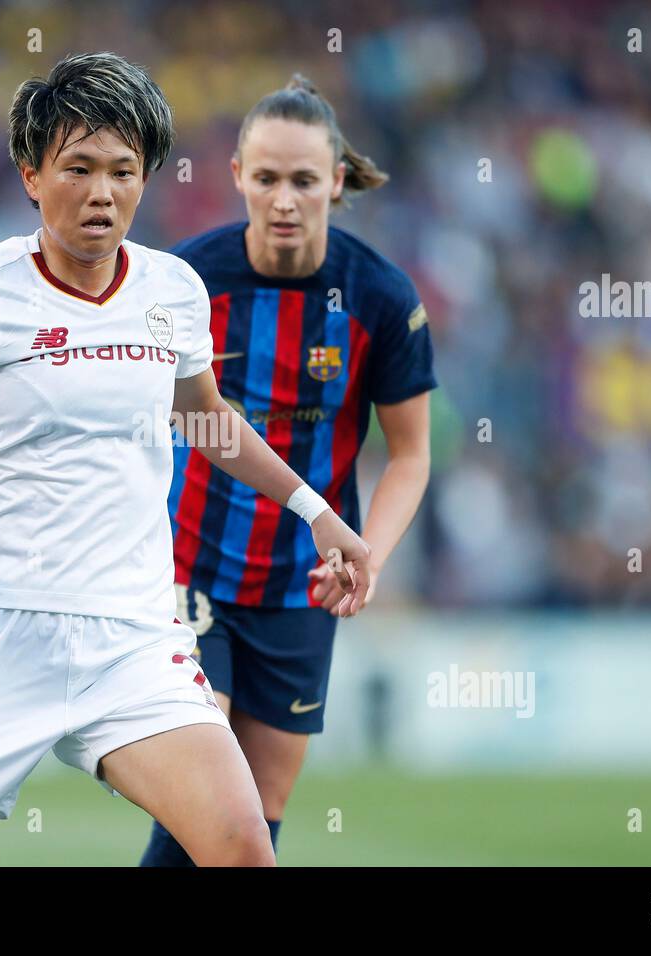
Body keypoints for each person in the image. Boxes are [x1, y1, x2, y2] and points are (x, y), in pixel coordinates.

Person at [0, 52, 372, 867]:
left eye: (123, 170)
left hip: (131, 635)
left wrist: (318, 514)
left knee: (244, 847)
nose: (103, 192)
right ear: (31, 174)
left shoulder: (171, 291)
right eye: (78, 167)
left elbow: (208, 421)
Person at [141, 74, 436, 866]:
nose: (283, 198)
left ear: (336, 183)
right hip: (185, 571)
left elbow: (410, 455)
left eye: (303, 180)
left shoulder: (380, 298)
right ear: (236, 175)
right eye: (265, 178)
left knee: (253, 824)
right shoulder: (183, 283)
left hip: (301, 586)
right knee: (201, 799)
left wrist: (365, 550)